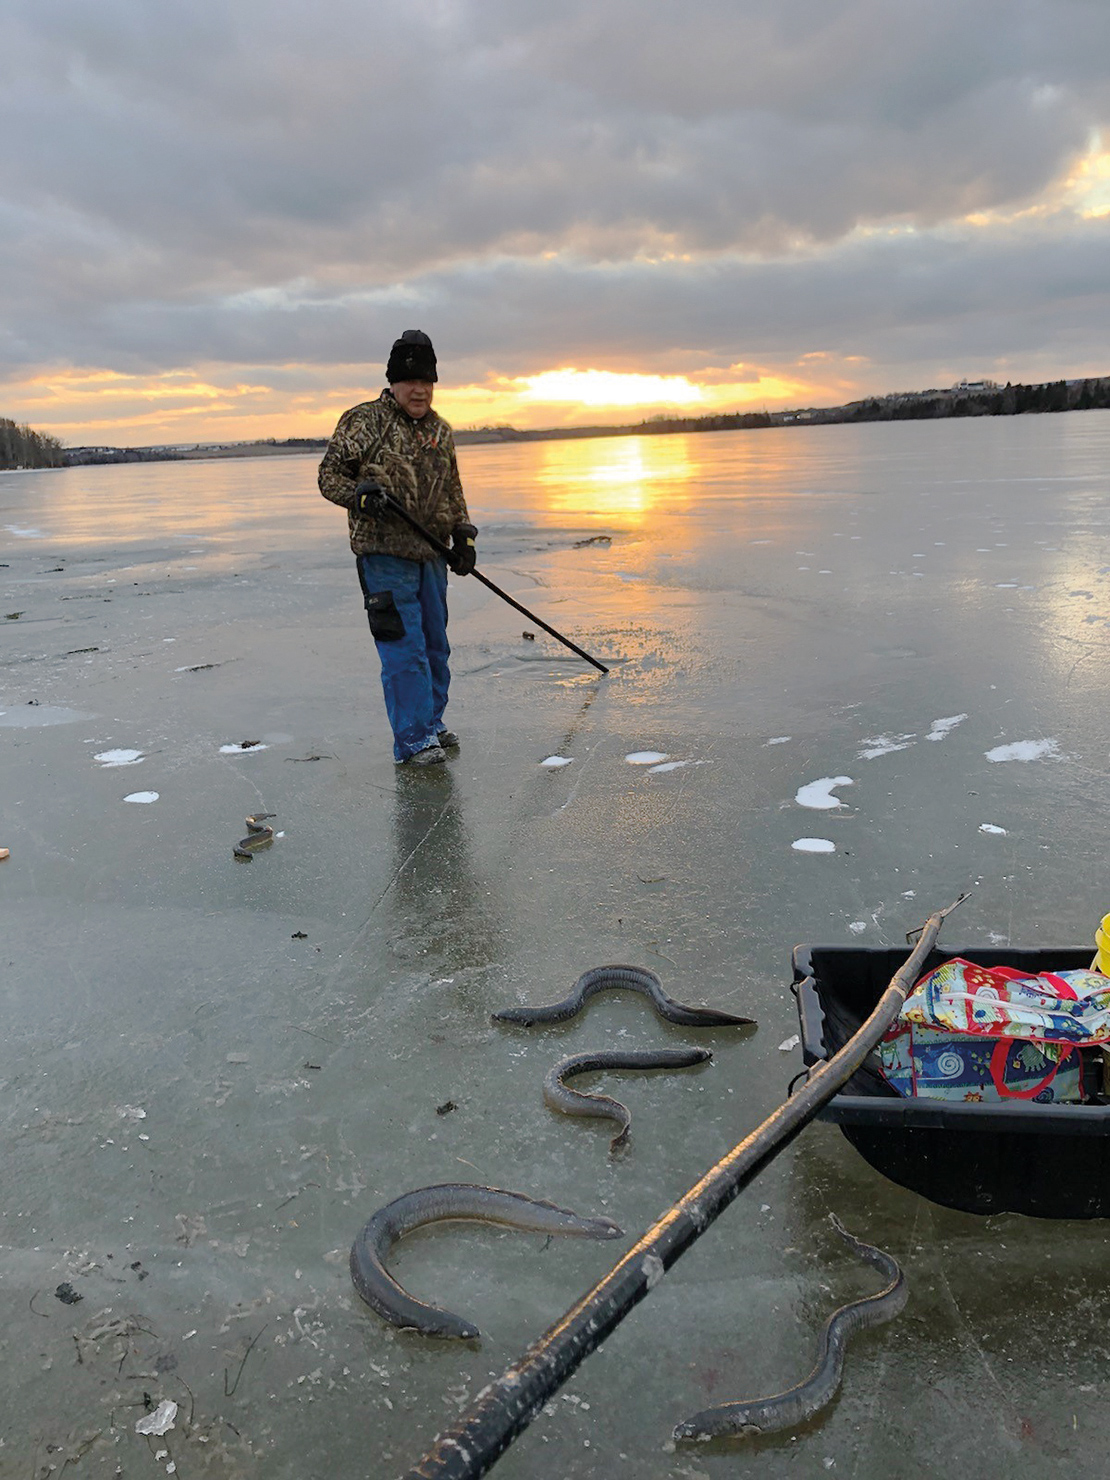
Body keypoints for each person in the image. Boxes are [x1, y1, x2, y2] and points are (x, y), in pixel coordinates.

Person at [318, 330, 478, 767]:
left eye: (427, 380)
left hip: (431, 557)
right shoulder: (363, 421)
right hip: (383, 557)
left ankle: (432, 723)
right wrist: (359, 496)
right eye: (410, 380)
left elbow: (453, 490)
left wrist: (462, 535)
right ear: (393, 382)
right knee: (403, 650)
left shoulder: (439, 432)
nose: (420, 389)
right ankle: (413, 740)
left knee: (435, 647)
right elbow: (329, 477)